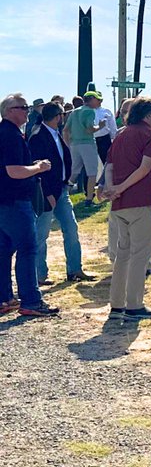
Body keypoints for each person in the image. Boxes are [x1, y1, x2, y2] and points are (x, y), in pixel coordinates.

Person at [101, 96, 151, 321]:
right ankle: (134, 305)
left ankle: (116, 305)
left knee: (122, 255)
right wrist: (121, 187)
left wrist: (112, 189)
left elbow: (110, 165)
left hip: (119, 204)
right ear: (148, 115)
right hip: (139, 201)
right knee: (140, 255)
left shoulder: (121, 134)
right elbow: (144, 168)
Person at [0, 93, 58, 317]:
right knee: (27, 250)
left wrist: (30, 166)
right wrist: (39, 167)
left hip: (5, 201)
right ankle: (31, 301)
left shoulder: (7, 133)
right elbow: (14, 171)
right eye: (23, 107)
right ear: (9, 111)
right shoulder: (11, 135)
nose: (27, 111)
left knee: (4, 251)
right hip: (15, 201)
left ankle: (5, 298)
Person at [28, 102, 91, 284]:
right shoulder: (38, 135)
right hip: (46, 193)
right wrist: (47, 193)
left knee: (71, 229)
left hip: (61, 190)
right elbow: (37, 168)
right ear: (57, 116)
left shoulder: (56, 134)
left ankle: (74, 269)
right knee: (41, 235)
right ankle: (39, 275)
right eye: (62, 115)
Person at [63, 90, 104, 204]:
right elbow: (89, 129)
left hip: (75, 145)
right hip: (87, 144)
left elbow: (65, 130)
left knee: (74, 171)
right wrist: (100, 126)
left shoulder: (74, 112)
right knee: (92, 173)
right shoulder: (90, 112)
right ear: (91, 100)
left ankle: (64, 194)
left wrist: (68, 145)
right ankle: (89, 199)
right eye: (98, 100)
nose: (99, 102)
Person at [92, 93, 117, 168]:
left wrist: (113, 138)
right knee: (91, 163)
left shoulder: (107, 111)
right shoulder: (87, 112)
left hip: (104, 139)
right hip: (91, 139)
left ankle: (107, 179)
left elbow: (112, 126)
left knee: (107, 162)